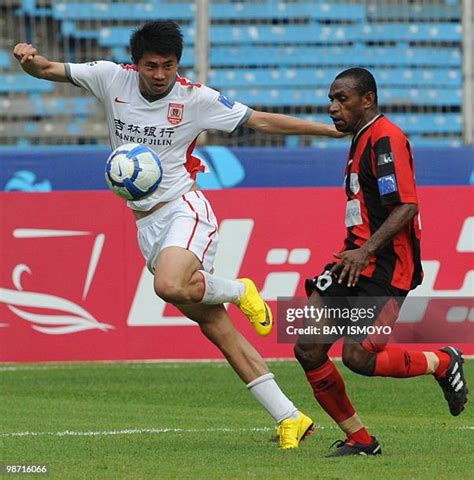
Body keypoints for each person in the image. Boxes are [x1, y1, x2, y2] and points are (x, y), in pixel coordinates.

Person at [13, 20, 344, 449]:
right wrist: (28, 59)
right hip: (145, 224)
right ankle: (289, 417)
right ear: (136, 65)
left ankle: (240, 289)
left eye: (167, 66)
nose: (159, 75)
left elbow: (258, 120)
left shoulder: (195, 99)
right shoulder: (110, 78)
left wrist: (332, 131)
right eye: (151, 66)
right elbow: (48, 70)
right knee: (217, 329)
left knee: (168, 284)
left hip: (184, 210)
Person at [294, 67, 468, 457]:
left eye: (342, 99)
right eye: (331, 100)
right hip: (352, 261)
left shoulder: (385, 138)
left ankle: (442, 362)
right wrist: (357, 251)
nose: (333, 107)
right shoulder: (360, 139)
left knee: (359, 356)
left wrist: (367, 249)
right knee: (307, 347)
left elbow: (407, 206)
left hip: (386, 267)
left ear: (367, 99)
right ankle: (360, 440)